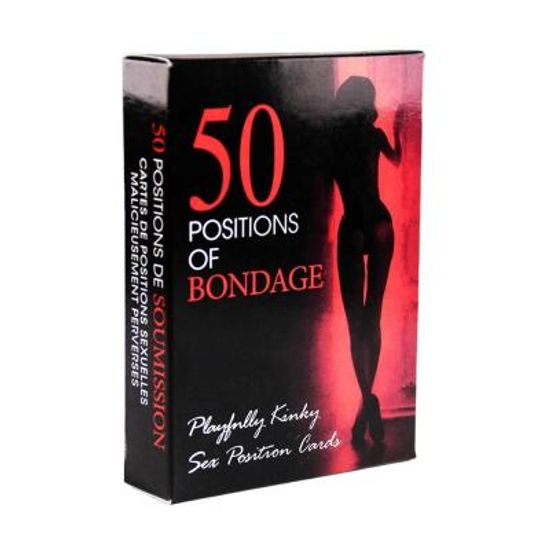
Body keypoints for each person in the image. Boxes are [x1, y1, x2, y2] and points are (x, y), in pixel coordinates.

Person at [331, 76, 404, 445]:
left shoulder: (333, 140)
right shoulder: (374, 135)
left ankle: (366, 397)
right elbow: (397, 158)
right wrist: (399, 130)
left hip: (353, 225)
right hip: (379, 222)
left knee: (354, 321)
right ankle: (367, 401)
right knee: (373, 314)